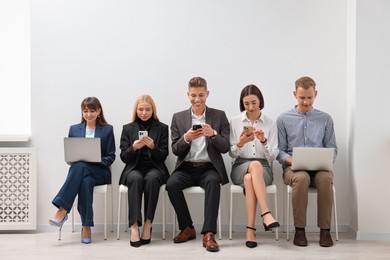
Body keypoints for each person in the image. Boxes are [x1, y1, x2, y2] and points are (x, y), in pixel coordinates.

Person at [165, 76, 230, 252]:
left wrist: (214, 134)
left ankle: (209, 233)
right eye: (193, 95)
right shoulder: (178, 118)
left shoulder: (219, 115)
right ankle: (187, 227)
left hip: (209, 168)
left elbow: (225, 148)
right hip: (186, 167)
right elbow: (176, 150)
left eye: (201, 95)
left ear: (207, 94)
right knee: (171, 184)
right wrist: (186, 138)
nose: (197, 99)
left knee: (212, 182)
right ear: (188, 95)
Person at [276, 76, 338, 247]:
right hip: (293, 169)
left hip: (320, 169)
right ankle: (300, 230)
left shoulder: (325, 119)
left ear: (315, 94)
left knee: (325, 179)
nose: (305, 102)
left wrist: (326, 161)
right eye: (302, 97)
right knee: (301, 178)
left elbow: (333, 148)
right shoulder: (283, 119)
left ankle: (325, 231)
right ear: (295, 94)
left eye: (309, 97)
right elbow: (278, 150)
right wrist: (290, 160)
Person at [49, 97, 116, 244]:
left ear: (99, 111)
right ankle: (86, 226)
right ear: (82, 112)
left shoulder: (107, 129)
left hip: (100, 172)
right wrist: (74, 159)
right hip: (82, 173)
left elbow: (111, 156)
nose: (89, 114)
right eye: (85, 111)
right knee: (84, 178)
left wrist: (98, 159)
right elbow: (70, 157)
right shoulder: (74, 129)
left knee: (81, 167)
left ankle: (62, 210)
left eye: (92, 110)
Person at [229, 84, 280, 248]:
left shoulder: (270, 123)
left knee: (251, 176)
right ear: (242, 103)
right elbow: (231, 153)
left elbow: (273, 156)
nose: (250, 107)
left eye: (254, 102)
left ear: (260, 102)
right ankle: (266, 214)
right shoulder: (235, 122)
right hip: (240, 166)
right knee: (251, 168)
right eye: (246, 103)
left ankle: (250, 230)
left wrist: (264, 141)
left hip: (263, 169)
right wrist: (241, 142)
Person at [118, 95, 169, 247]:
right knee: (135, 179)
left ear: (153, 110)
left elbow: (163, 156)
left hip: (155, 168)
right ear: (136, 110)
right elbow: (124, 157)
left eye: (147, 109)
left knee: (152, 179)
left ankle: (148, 224)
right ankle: (134, 226)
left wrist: (153, 147)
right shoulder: (128, 128)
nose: (144, 113)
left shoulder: (162, 128)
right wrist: (133, 148)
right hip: (134, 168)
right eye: (141, 109)